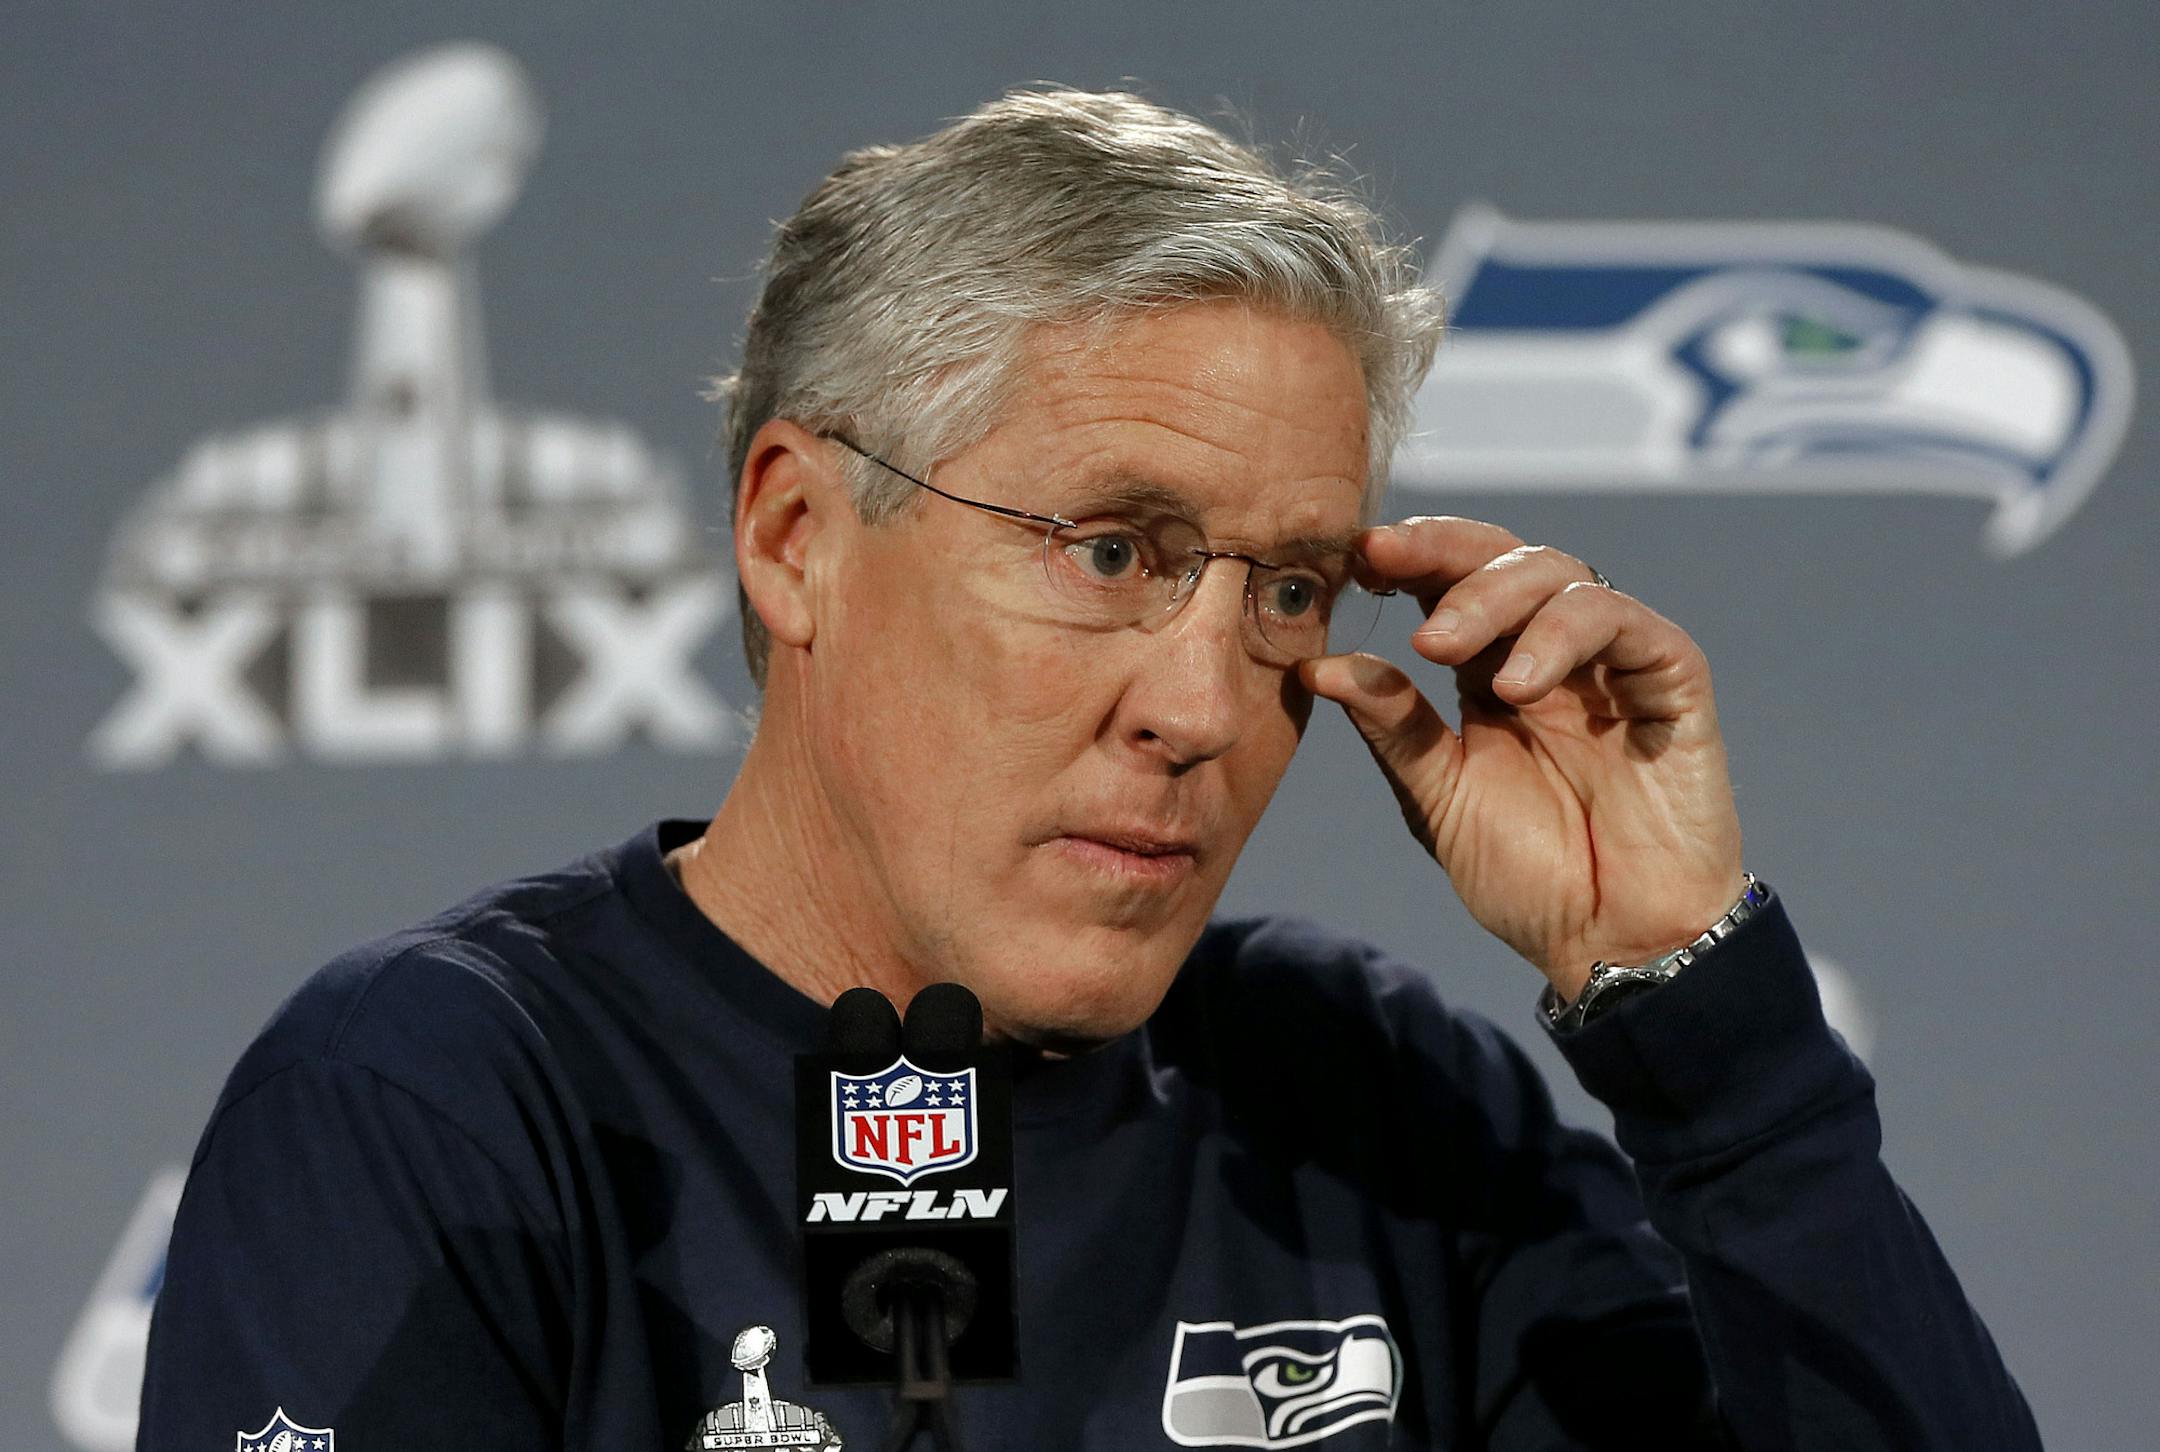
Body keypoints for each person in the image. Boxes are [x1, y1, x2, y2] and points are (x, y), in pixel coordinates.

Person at [139, 88, 2040, 1451]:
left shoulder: (1358, 1101)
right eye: (1113, 551)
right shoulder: (442, 1106)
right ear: (797, 537)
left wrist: (1704, 1032)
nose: (1200, 708)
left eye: (1287, 589)